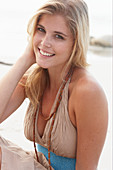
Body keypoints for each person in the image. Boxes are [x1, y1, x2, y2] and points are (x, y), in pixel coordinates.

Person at [0, 0, 108, 169]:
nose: (44, 42)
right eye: (41, 30)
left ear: (75, 42)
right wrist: (24, 60)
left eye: (58, 36)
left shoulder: (87, 91)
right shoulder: (34, 77)